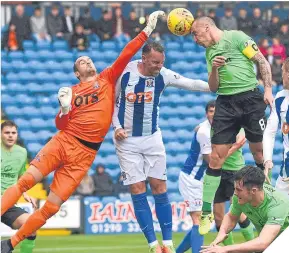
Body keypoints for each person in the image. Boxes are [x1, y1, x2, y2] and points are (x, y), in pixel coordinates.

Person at [0, 11, 165, 253]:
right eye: (81, 62)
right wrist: (64, 110)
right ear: (77, 73)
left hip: (85, 155)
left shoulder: (108, 78)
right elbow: (60, 125)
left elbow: (126, 53)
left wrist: (146, 32)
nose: (87, 61)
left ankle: (9, 245)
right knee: (26, 181)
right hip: (64, 142)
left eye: (89, 59)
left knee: (52, 207)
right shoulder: (72, 91)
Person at [112, 41, 210, 253]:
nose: (159, 66)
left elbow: (191, 83)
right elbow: (111, 100)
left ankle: (167, 242)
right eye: (155, 62)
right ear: (144, 58)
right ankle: (152, 245)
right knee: (138, 189)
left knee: (160, 187)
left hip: (153, 138)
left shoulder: (163, 75)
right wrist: (117, 126)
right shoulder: (126, 72)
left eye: (161, 62)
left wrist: (216, 86)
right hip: (126, 141)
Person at [190, 16, 274, 235]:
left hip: (250, 98)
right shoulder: (209, 53)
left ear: (207, 28)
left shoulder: (236, 37)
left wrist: (267, 90)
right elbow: (212, 87)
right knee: (216, 157)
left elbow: (261, 61)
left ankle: (269, 200)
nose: (195, 40)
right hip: (226, 103)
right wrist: (215, 69)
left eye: (196, 34)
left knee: (259, 153)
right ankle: (206, 211)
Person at [176, 101, 254, 253]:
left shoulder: (219, 126)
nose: (214, 114)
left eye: (216, 111)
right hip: (194, 179)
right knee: (202, 220)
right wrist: (235, 147)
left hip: (223, 174)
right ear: (207, 113)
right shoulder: (205, 131)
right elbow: (212, 161)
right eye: (211, 111)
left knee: (237, 213)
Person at [201, 165, 289, 253]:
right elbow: (231, 217)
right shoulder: (240, 197)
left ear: (253, 191)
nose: (235, 193)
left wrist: (226, 249)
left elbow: (263, 242)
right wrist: (222, 233)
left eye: (238, 190)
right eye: (235, 189)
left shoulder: (277, 204)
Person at [1, 121, 37, 253]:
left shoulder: (22, 152)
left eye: (13, 133)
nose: (10, 136)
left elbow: (21, 176)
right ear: (1, 134)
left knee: (31, 226)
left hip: (9, 203)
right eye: (7, 133)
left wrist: (25, 193)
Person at [263, 57, 289, 196]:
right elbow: (269, 132)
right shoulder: (280, 98)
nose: (281, 76)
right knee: (277, 212)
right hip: (286, 169)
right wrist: (267, 159)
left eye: (283, 71)